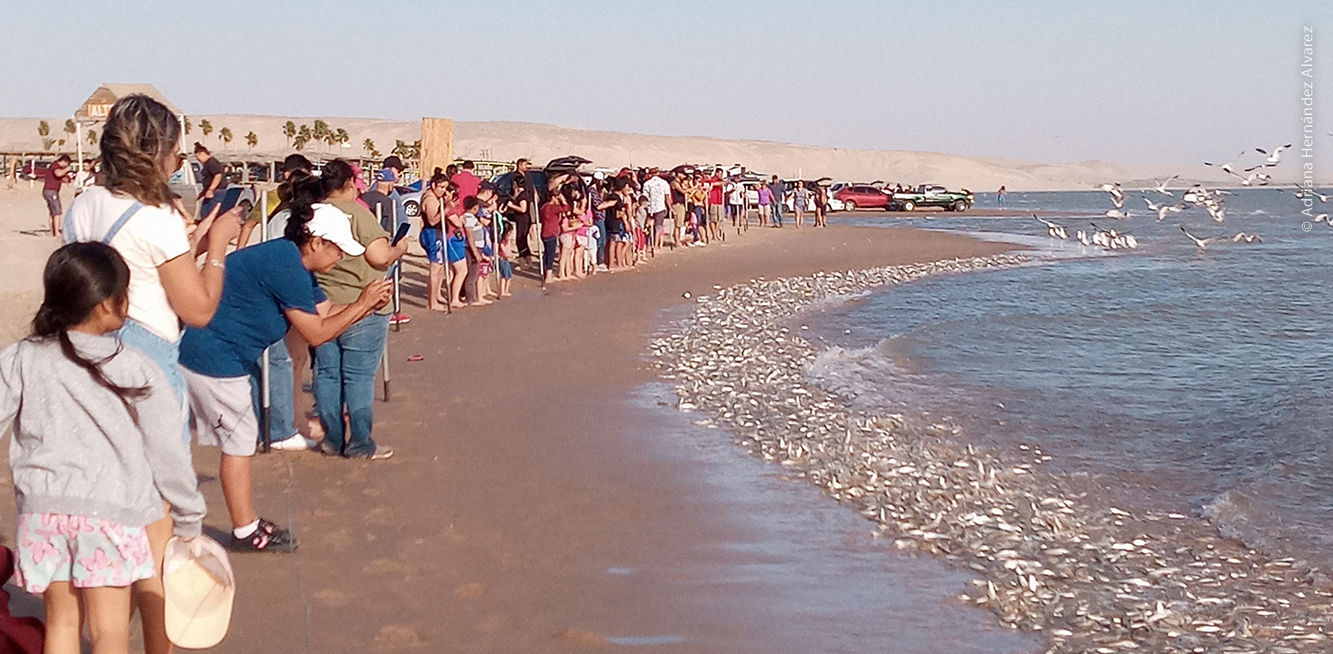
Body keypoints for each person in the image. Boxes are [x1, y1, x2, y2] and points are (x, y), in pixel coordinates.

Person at [64, 93, 237, 654]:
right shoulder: (159, 218)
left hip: (85, 362)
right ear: (160, 152)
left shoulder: (83, 204)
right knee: (153, 525)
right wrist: (215, 250)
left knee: (100, 514)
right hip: (146, 370)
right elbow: (198, 309)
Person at [0, 242, 206, 654]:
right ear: (108, 304)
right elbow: (167, 452)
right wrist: (189, 514)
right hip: (112, 517)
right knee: (109, 630)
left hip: (43, 514)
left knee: (61, 622)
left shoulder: (22, 357)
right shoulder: (136, 366)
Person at [180, 180, 393, 551]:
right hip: (213, 357)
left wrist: (365, 305)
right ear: (316, 242)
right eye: (338, 251)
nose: (340, 259)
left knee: (209, 439)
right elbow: (315, 333)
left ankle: (188, 520)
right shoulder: (286, 266)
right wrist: (362, 305)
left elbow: (325, 313)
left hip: (215, 354)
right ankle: (241, 529)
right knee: (238, 440)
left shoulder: (294, 264)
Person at [312, 160, 409, 460]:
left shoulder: (313, 212)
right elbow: (380, 256)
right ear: (350, 184)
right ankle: (360, 442)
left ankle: (332, 438)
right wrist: (399, 249)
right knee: (357, 377)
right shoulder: (357, 213)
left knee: (327, 374)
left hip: (323, 305)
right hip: (364, 305)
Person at [238, 153, 313, 247]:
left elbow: (248, 226)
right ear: (288, 174)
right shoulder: (273, 197)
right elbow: (249, 225)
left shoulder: (313, 195)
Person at [419, 172, 452, 312]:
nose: (443, 191)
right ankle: (432, 302)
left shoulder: (436, 197)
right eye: (441, 187)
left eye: (445, 188)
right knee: (435, 268)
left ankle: (437, 295)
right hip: (432, 234)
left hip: (437, 233)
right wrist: (447, 208)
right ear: (434, 185)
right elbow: (433, 220)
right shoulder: (430, 199)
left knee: (439, 268)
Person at [540, 191, 568, 283]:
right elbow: (566, 208)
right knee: (550, 254)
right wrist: (563, 199)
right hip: (551, 232)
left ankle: (546, 273)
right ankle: (548, 276)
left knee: (546, 253)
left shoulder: (544, 207)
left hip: (544, 231)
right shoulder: (553, 208)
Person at [42, 155, 73, 238]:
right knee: (57, 212)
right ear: (64, 161)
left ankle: (52, 230)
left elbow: (59, 177)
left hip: (49, 190)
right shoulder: (55, 166)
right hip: (51, 191)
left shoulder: (54, 166)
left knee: (52, 212)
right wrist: (66, 169)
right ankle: (56, 231)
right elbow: (58, 173)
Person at [194, 143, 225, 219]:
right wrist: (201, 194)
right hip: (211, 191)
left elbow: (218, 175)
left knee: (210, 214)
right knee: (205, 213)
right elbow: (208, 180)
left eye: (198, 157)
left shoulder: (212, 162)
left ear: (203, 154)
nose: (198, 160)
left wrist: (211, 189)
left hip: (217, 192)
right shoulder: (207, 164)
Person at [642, 170, 670, 250]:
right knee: (658, 227)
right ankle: (655, 244)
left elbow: (644, 197)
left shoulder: (647, 184)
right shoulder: (664, 183)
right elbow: (667, 197)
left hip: (649, 207)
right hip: (660, 207)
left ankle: (648, 245)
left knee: (648, 226)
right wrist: (669, 207)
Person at [497, 222, 515, 298]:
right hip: (503, 259)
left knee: (509, 276)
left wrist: (511, 254)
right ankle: (502, 291)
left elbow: (509, 249)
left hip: (506, 259)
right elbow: (502, 249)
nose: (510, 234)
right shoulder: (502, 240)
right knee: (504, 276)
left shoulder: (507, 240)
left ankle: (506, 290)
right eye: (510, 232)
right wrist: (508, 255)